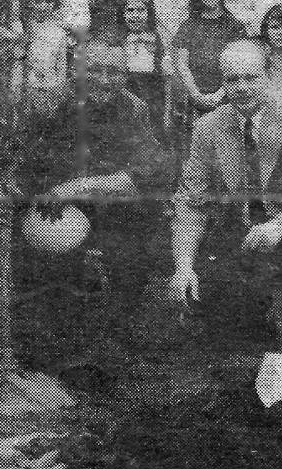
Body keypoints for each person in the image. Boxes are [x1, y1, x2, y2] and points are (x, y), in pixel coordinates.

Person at [168, 40, 282, 348]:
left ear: (267, 76)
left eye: (250, 78)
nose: (241, 88)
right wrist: (184, 265)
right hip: (244, 231)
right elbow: (191, 202)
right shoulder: (208, 127)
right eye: (232, 80)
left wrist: (280, 225)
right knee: (226, 330)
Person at [11, 39, 172, 372]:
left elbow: (150, 170)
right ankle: (42, 340)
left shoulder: (133, 109)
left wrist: (82, 186)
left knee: (135, 242)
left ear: (125, 76)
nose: (103, 79)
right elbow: (21, 165)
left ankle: (113, 335)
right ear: (75, 72)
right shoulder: (47, 106)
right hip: (52, 205)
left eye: (113, 72)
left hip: (106, 206)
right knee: (45, 253)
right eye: (94, 70)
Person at [172, 0, 247, 146]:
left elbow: (239, 66)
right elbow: (182, 64)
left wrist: (219, 95)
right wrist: (196, 94)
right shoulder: (189, 25)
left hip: (227, 99)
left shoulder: (234, 26)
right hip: (195, 99)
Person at [122, 0, 172, 134]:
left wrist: (167, 112)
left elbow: (166, 76)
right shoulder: (120, 39)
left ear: (148, 12)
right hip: (127, 93)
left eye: (141, 10)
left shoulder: (156, 38)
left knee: (152, 134)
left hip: (153, 95)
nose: (135, 15)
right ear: (123, 13)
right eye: (130, 10)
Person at [23, 0, 72, 117]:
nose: (43, 6)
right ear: (30, 2)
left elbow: (61, 66)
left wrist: (57, 91)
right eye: (38, 1)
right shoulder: (27, 28)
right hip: (29, 88)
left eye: (48, 1)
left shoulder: (59, 32)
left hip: (51, 87)